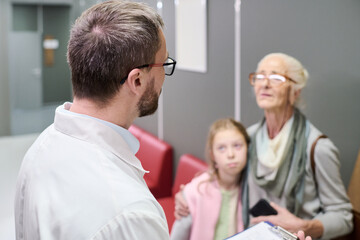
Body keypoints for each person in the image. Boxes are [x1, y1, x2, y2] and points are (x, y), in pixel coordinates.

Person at [14, 1, 176, 239]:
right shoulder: (129, 214)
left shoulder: (40, 149)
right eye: (164, 64)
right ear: (137, 81)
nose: (165, 76)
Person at [175, 53, 352, 239]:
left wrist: (306, 226)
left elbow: (343, 217)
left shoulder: (317, 148)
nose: (265, 84)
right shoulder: (248, 138)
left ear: (295, 91)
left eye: (276, 77)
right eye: (260, 77)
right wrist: (187, 195)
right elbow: (224, 173)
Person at [171, 118, 250, 240]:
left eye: (237, 146)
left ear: (247, 148)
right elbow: (178, 234)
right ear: (213, 155)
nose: (231, 154)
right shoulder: (196, 190)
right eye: (222, 148)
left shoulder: (251, 189)